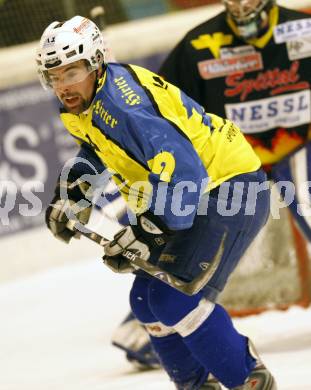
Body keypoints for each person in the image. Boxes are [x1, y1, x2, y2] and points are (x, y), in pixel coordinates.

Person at [37, 15, 275, 389]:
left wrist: (149, 230)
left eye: (72, 72)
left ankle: (249, 380)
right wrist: (74, 192)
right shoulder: (88, 102)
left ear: (96, 63)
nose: (63, 86)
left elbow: (186, 173)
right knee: (147, 301)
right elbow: (99, 147)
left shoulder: (122, 104)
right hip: (196, 196)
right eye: (55, 76)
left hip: (229, 189)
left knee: (173, 300)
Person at [114, 0, 311, 371]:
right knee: (193, 243)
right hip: (228, 163)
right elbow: (157, 109)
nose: (240, 5)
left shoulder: (303, 31)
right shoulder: (199, 45)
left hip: (300, 146)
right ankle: (151, 324)